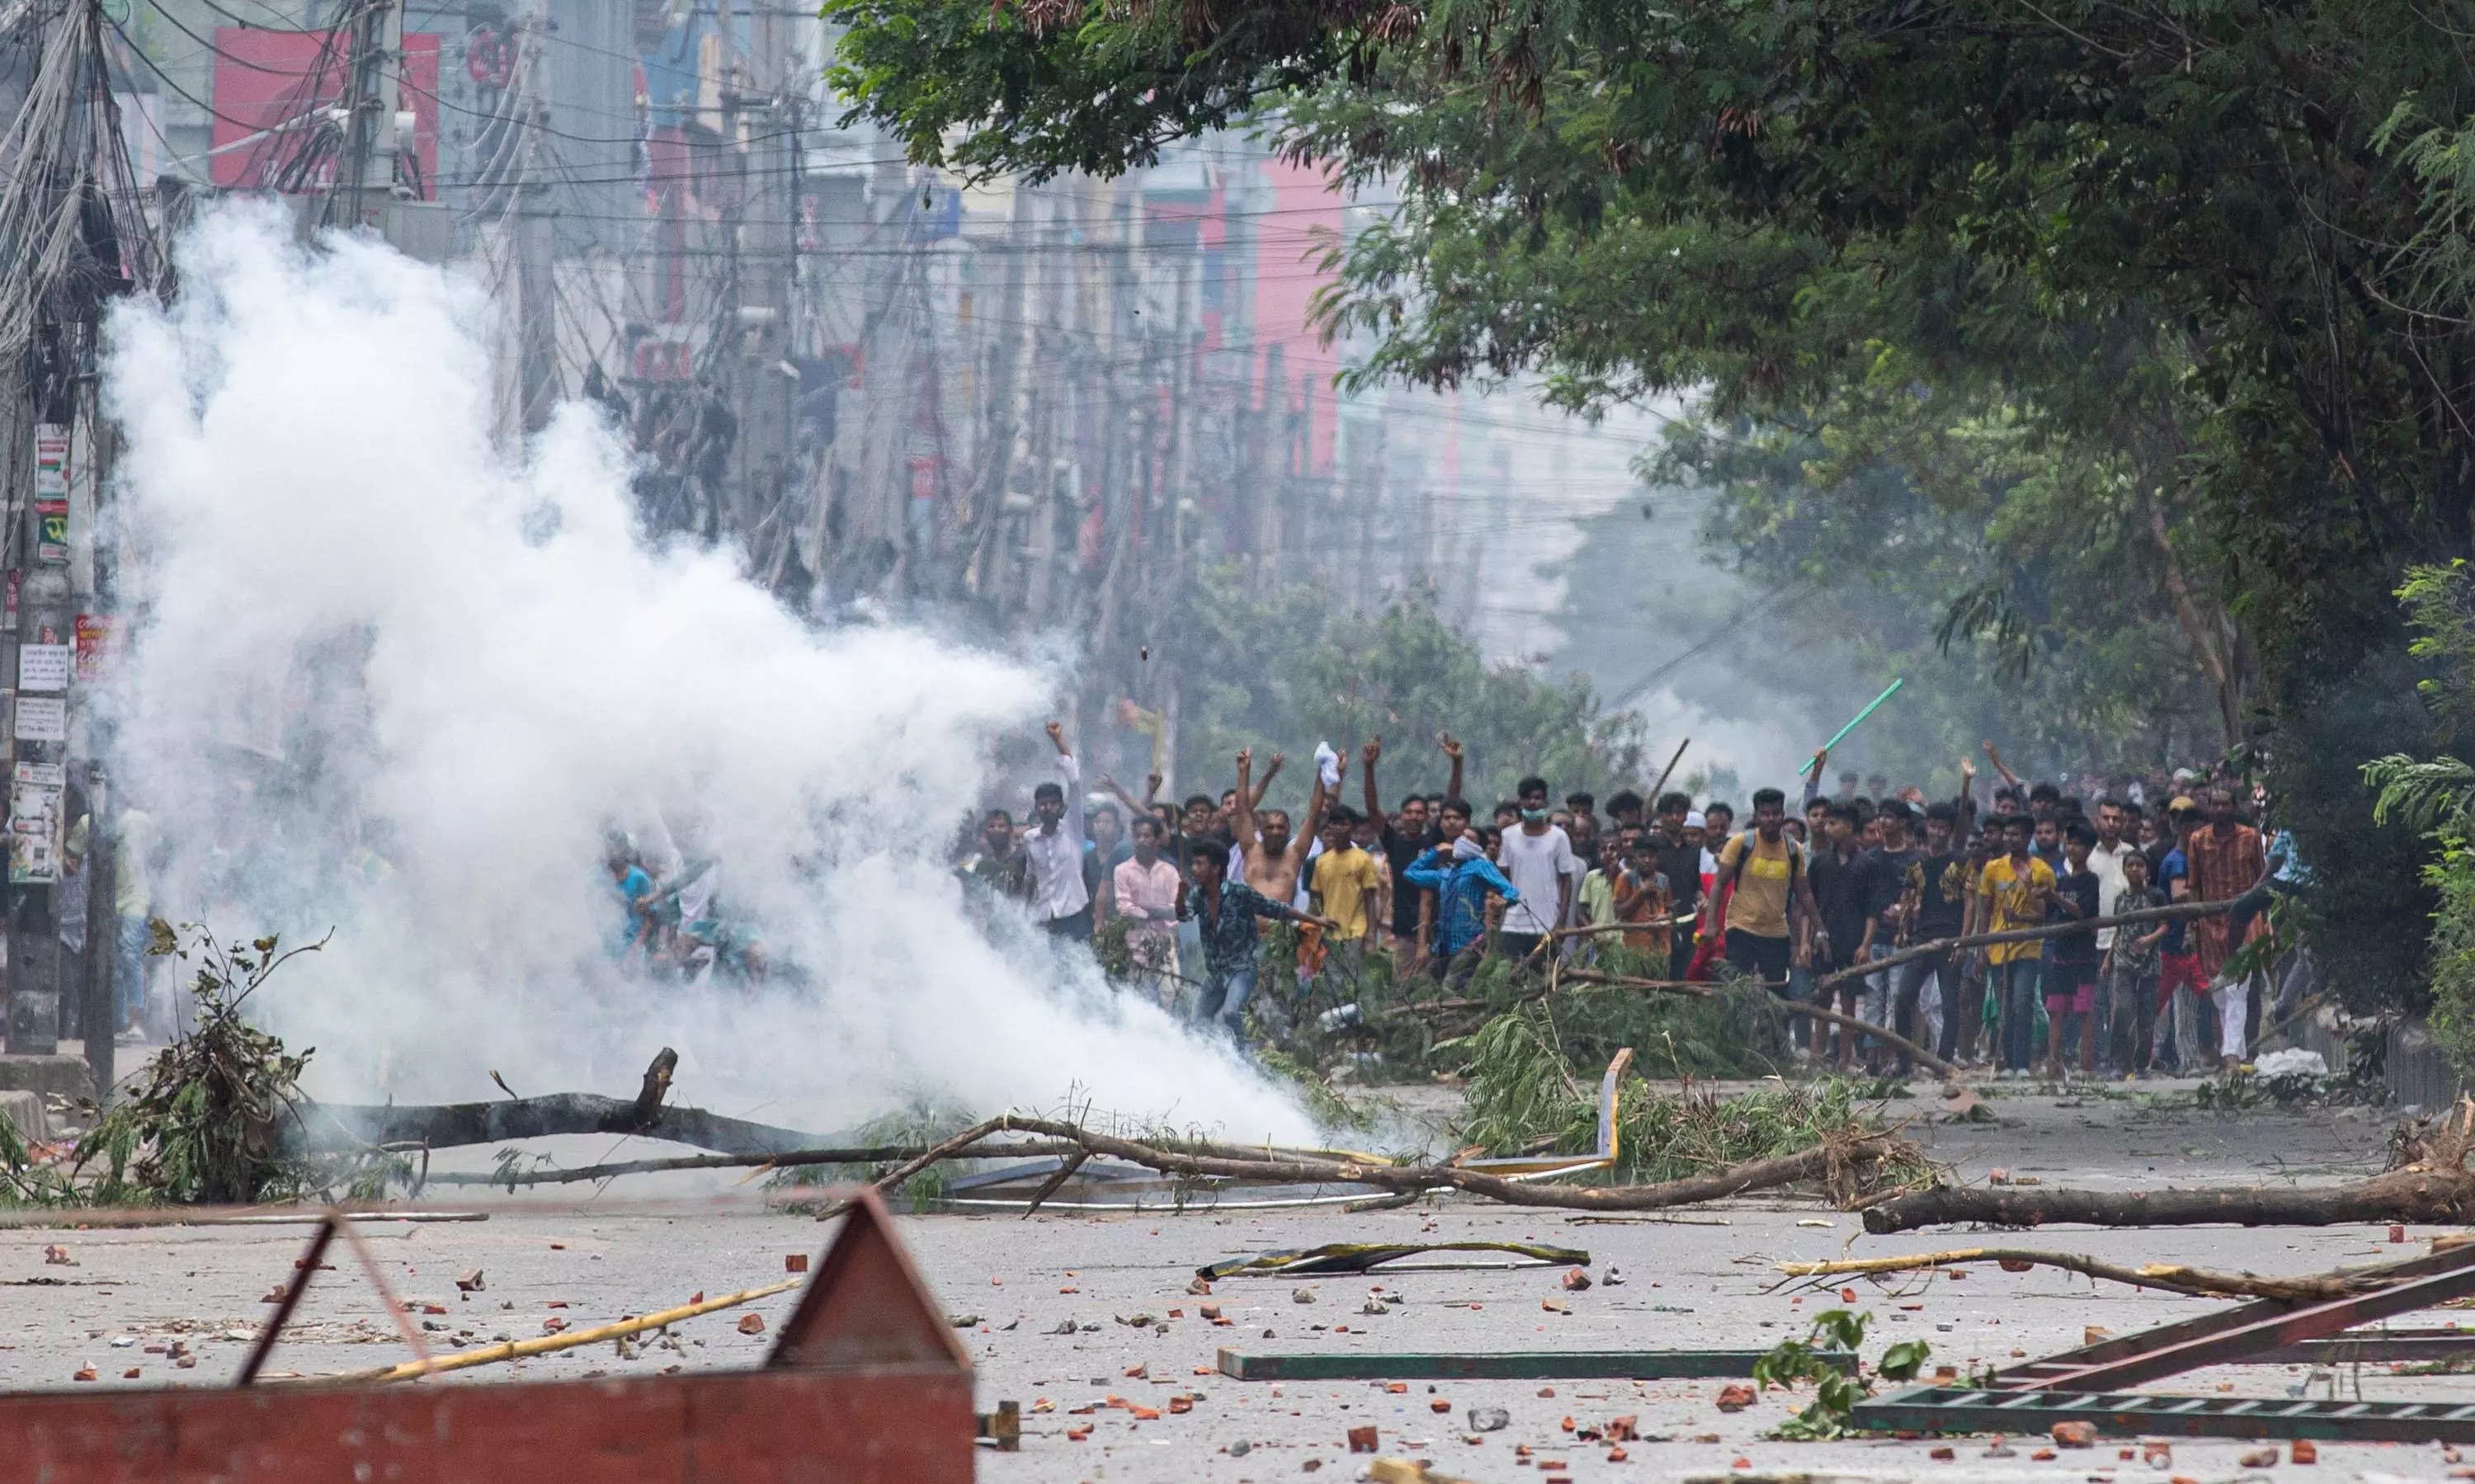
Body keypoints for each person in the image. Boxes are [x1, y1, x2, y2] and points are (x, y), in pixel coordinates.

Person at [1186, 846, 1334, 1039]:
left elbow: (1276, 909)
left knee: (1231, 1013)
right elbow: (1183, 915)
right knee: (1197, 1022)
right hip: (1216, 972)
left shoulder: (1239, 892)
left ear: (1215, 868)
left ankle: (1243, 1057)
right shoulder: (1197, 895)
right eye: (1193, 863)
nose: (1194, 869)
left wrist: (1317, 920)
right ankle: (1208, 1057)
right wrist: (1181, 896)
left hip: (1242, 969)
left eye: (1199, 864)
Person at [2185, 783, 2267, 1070]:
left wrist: (2265, 921)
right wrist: (2193, 925)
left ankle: (2230, 1053)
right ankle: (2235, 1052)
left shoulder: (2250, 837)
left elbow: (2261, 878)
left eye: (2225, 804)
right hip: (2210, 923)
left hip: (2245, 921)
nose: (2220, 810)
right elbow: (2193, 885)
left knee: (2237, 988)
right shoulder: (2197, 840)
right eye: (2215, 804)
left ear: (2234, 807)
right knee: (2219, 991)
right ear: (2209, 808)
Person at [1712, 787, 1822, 992]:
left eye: (1776, 814)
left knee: (1777, 996)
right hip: (1741, 929)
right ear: (1756, 815)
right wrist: (1711, 925)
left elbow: (1804, 894)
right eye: (1765, 814)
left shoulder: (1793, 849)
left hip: (1777, 934)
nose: (1771, 819)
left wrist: (1820, 928)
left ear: (1782, 815)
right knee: (1737, 993)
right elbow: (1719, 884)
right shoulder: (1740, 843)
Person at [1978, 813, 2057, 1076]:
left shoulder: (2041, 870)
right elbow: (1985, 911)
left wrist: (2028, 891)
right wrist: (1981, 949)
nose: (2011, 839)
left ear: (2028, 837)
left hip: (2028, 947)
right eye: (2007, 834)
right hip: (1999, 947)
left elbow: (2043, 914)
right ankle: (2008, 1062)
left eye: (2016, 835)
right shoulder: (1992, 868)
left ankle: (2022, 1064)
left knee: (2022, 1005)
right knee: (2004, 1008)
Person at [1898, 797, 1974, 1069]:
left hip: (1951, 940)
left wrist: (1963, 942)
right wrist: (1902, 929)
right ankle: (1903, 1059)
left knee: (1950, 1004)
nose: (1937, 833)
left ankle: (1943, 1061)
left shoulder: (1962, 861)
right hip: (1921, 940)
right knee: (1904, 997)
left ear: (1951, 830)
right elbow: (1907, 898)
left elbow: (1969, 904)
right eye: (1933, 827)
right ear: (1927, 827)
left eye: (1943, 828)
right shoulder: (1915, 862)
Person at [1404, 816, 1521, 982]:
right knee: (1423, 983)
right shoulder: (1447, 873)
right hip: (1443, 945)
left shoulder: (1480, 866)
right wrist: (1435, 852)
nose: (1461, 841)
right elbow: (1410, 873)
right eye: (1461, 837)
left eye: (1468, 839)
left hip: (1470, 944)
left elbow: (1511, 891)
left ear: (1478, 847)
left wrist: (1504, 901)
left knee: (1452, 985)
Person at [1808, 803, 1878, 1069]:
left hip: (1853, 941)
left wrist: (1866, 945)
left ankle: (1844, 1060)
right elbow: (1809, 905)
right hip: (1824, 941)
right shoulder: (1820, 863)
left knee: (1849, 1003)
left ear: (1848, 827)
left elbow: (1873, 910)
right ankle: (1816, 1059)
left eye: (1833, 823)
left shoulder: (1867, 865)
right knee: (1822, 999)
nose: (1827, 828)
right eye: (1825, 823)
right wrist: (1808, 939)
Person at [1495, 776, 1582, 961]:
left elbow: (1567, 880)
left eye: (1537, 797)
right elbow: (1503, 876)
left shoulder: (1559, 837)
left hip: (1547, 923)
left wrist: (1561, 922)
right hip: (1513, 923)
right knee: (1509, 979)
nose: (1532, 802)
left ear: (1545, 802)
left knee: (1543, 982)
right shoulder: (1508, 835)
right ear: (1520, 802)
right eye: (1527, 798)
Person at [2044, 819, 2103, 1080]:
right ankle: (2053, 1063)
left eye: (2079, 844)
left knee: (2084, 1011)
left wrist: (2054, 897)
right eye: (2070, 842)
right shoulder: (2062, 881)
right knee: (2056, 1010)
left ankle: (2086, 1065)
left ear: (2089, 849)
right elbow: (2052, 915)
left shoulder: (2090, 881)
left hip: (2084, 956)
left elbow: (2082, 913)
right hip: (2062, 953)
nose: (2073, 848)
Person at [1023, 721, 1092, 940]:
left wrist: (1058, 741)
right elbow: (1031, 878)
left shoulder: (1072, 828)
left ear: (1061, 807)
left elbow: (1074, 780)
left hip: (1074, 914)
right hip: (1044, 916)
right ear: (1036, 808)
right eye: (1042, 804)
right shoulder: (1030, 839)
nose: (1047, 808)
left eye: (1053, 803)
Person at [1233, 747, 1326, 907]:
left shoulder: (1295, 854)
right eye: (1270, 828)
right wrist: (1243, 771)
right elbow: (1242, 810)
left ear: (1288, 830)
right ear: (1261, 830)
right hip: (1249, 928)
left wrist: (1322, 771)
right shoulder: (1250, 848)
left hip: (1282, 929)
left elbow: (1314, 814)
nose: (1275, 832)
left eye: (1280, 827)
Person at [1110, 815, 1184, 1008]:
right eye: (1138, 836)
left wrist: (1146, 912)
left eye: (1147, 835)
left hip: (1165, 945)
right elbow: (1125, 910)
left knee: (1171, 994)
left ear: (1157, 840)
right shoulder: (1122, 871)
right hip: (1134, 944)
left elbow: (1177, 910)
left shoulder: (1169, 871)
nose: (1142, 840)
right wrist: (1158, 912)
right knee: (1139, 1000)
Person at [2156, 797, 2208, 1071]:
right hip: (2174, 945)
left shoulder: (2186, 859)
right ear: (2190, 832)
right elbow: (2178, 895)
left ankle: (2187, 1060)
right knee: (2174, 1005)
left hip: (2181, 945)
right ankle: (2179, 1060)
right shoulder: (2179, 861)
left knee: (2185, 1004)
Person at [2104, 848, 2166, 1075]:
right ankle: (2118, 1063)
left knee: (2147, 1015)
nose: (2134, 869)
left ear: (2147, 870)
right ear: (2124, 869)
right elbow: (2119, 930)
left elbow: (2165, 925)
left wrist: (2150, 939)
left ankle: (2141, 1064)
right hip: (2122, 960)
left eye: (2139, 865)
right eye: (2130, 865)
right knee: (2122, 1010)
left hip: (2150, 962)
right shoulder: (2121, 898)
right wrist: (2108, 959)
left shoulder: (2156, 896)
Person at [1308, 804, 1384, 975]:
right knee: (1331, 985)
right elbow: (1316, 900)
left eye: (1344, 824)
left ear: (1352, 827)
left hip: (1355, 933)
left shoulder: (1363, 859)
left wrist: (1371, 935)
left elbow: (1370, 899)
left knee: (1353, 981)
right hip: (1329, 933)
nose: (1339, 828)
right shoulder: (1322, 862)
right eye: (1334, 824)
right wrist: (1312, 931)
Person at [1652, 794, 1705, 980]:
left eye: (1679, 813)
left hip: (1687, 920)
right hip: (1658, 922)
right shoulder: (1652, 848)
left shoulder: (1693, 850)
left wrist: (1701, 898)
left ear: (1685, 816)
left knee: (1684, 975)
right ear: (1661, 816)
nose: (1674, 818)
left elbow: (1695, 883)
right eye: (1670, 813)